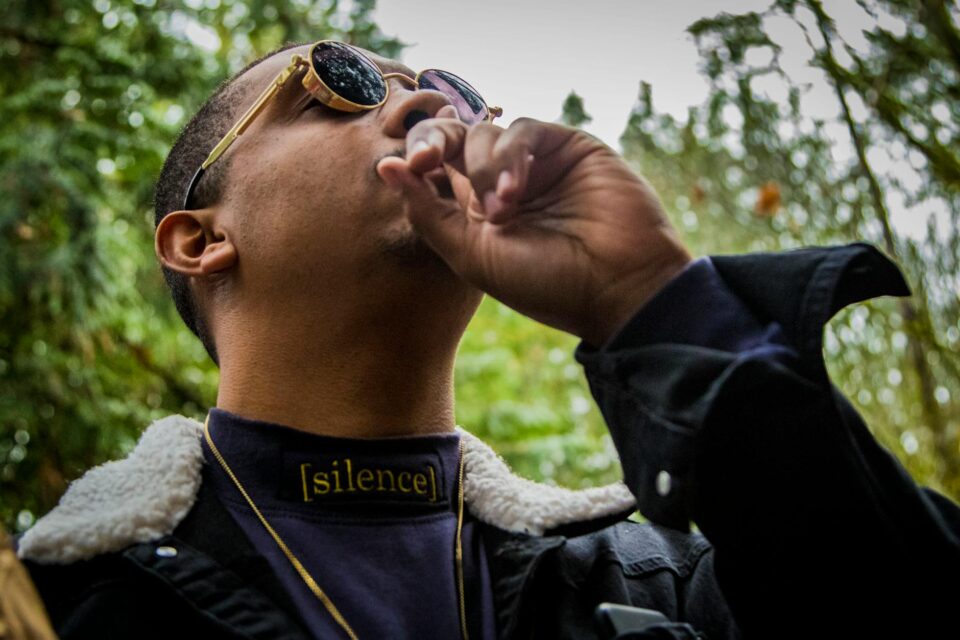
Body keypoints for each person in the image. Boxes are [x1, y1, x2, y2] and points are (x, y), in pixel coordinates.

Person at [16, 40, 960, 639]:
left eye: (451, 91)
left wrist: (653, 297)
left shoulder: (669, 580)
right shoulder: (56, 605)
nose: (429, 108)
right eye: (340, 84)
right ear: (201, 238)